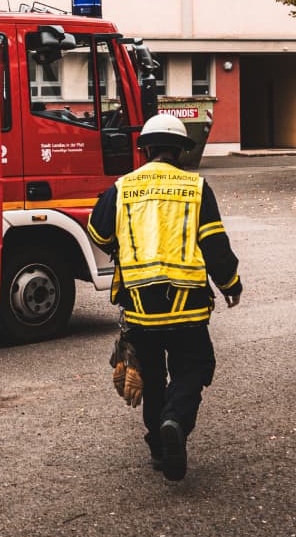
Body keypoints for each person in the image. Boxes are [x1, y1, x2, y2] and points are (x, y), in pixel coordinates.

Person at [86, 113, 241, 481]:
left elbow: (98, 233)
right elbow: (215, 244)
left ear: (146, 150)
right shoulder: (196, 188)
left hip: (140, 308)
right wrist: (231, 283)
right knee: (194, 368)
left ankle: (159, 448)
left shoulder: (122, 187)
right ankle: (175, 420)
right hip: (188, 306)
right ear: (181, 152)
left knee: (151, 378)